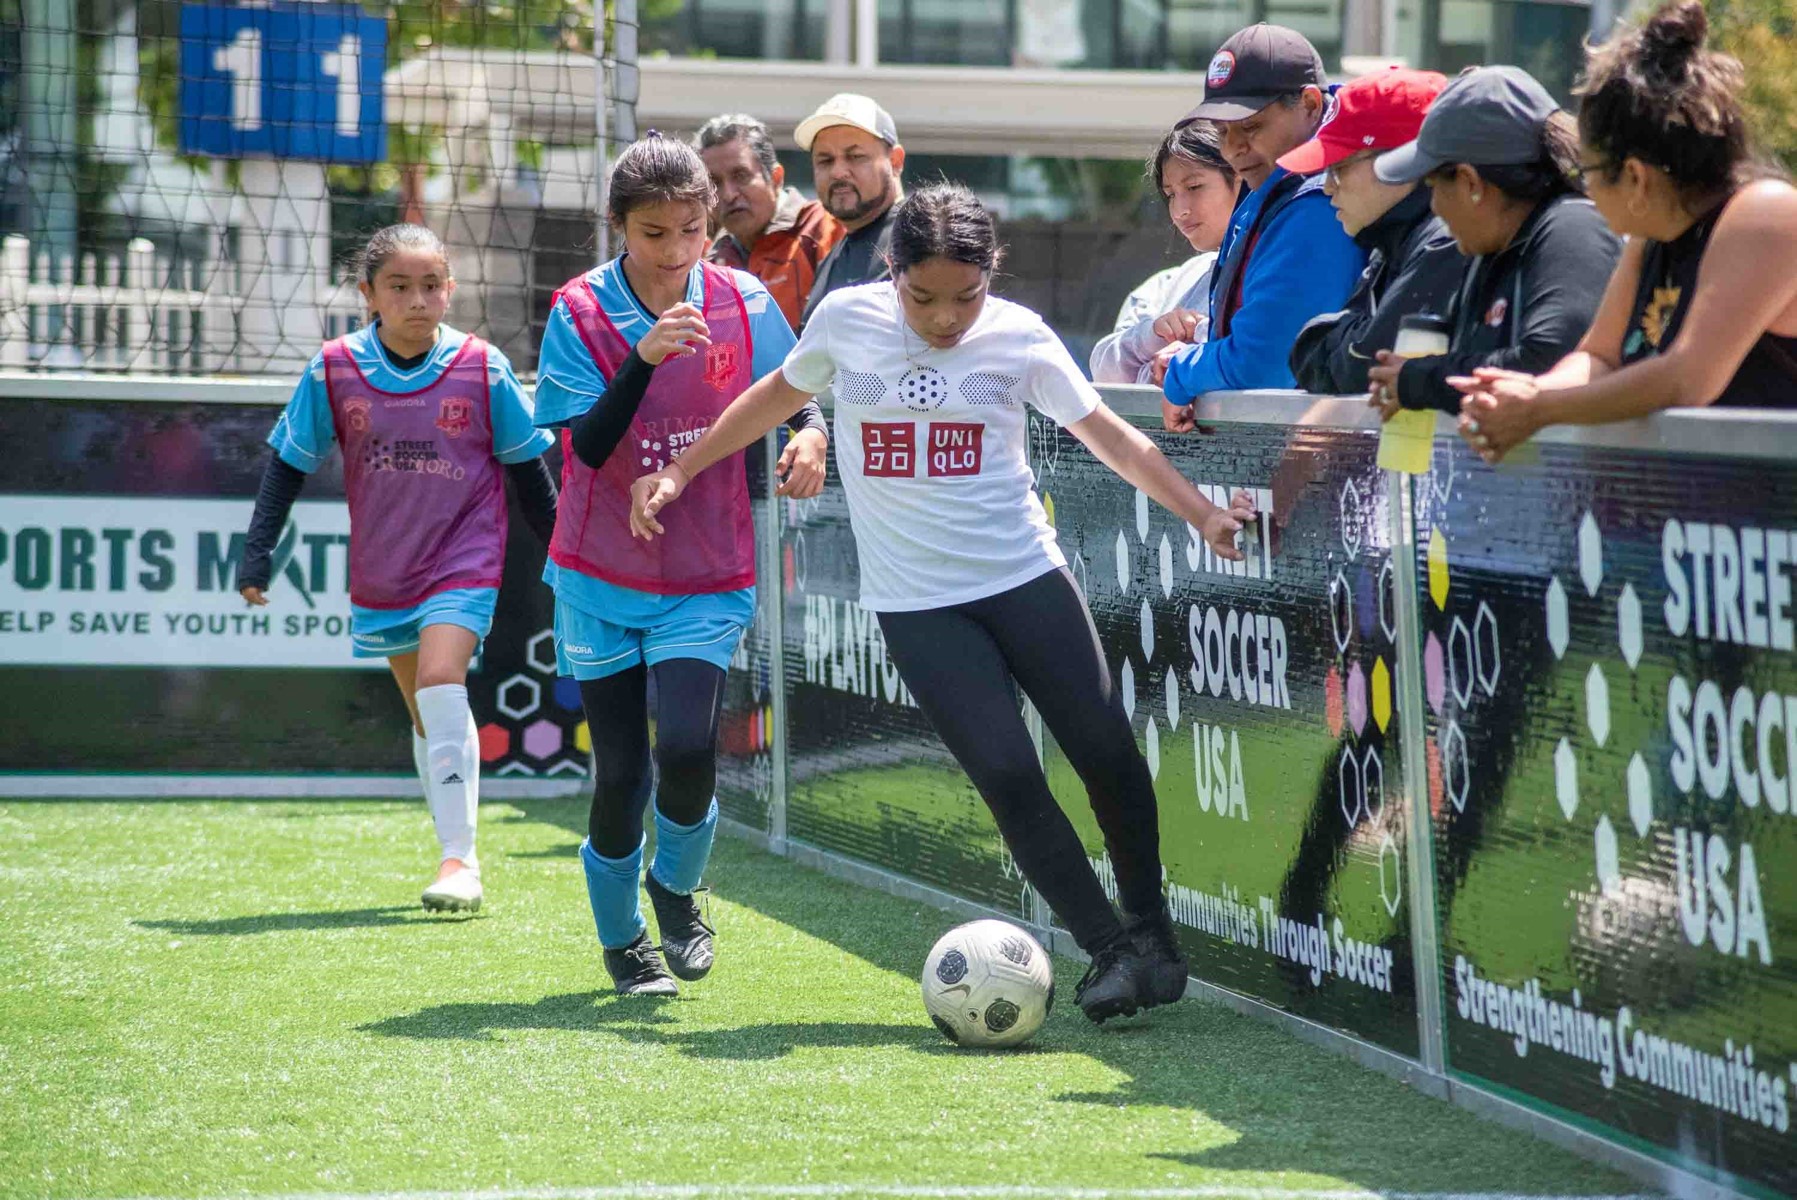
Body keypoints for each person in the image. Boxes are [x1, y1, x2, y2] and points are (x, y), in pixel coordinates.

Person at [627, 184, 1259, 1024]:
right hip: (917, 603)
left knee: (1104, 750)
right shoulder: (846, 323)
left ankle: (1152, 934)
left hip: (1024, 578)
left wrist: (1203, 511)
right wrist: (682, 467)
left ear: (990, 277)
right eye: (923, 297)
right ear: (892, 275)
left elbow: (1109, 436)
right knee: (1005, 774)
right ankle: (1108, 951)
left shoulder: (1019, 336)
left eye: (966, 296)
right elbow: (774, 397)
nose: (946, 317)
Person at [533, 135, 830, 996]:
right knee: (622, 770)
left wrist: (812, 434)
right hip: (598, 573)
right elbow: (584, 446)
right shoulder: (579, 310)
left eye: (690, 231)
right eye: (651, 233)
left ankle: (676, 886)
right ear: (618, 226)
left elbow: (800, 388)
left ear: (710, 225)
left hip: (709, 565)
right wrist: (645, 355)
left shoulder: (742, 299)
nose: (673, 252)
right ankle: (623, 942)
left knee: (693, 746)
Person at [237, 224, 558, 914]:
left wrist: (566, 558)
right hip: (386, 568)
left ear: (450, 289)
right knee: (425, 711)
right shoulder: (333, 369)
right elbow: (288, 463)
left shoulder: (481, 367)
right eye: (400, 286)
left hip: (465, 557)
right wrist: (256, 551)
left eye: (432, 285)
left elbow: (528, 471)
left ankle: (460, 861)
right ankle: (451, 848)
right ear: (368, 296)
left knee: (444, 679)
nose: (418, 299)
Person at [1455, 0, 1797, 460]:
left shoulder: (1767, 215)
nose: (1584, 190)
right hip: (1692, 521)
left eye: (1588, 173)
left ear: (1635, 177)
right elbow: (1599, 357)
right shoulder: (1651, 235)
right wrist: (1524, 392)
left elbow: (1687, 377)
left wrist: (1541, 407)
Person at [1364, 66, 1622, 419]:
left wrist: (1421, 382)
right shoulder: (1491, 246)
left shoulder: (1574, 226)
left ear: (1471, 183)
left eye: (1432, 185)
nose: (1434, 208)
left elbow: (1549, 361)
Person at [1160, 23, 1366, 423]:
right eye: (1222, 131)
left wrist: (1183, 373)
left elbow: (1266, 360)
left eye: (1251, 126)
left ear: (1309, 104)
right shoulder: (1280, 179)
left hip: (1338, 463)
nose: (1234, 148)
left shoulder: (1320, 197)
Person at [1284, 68, 1465, 396]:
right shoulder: (1390, 241)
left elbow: (1363, 365)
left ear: (1405, 159)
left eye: (1338, 169)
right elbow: (1317, 357)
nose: (1326, 187)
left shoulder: (1445, 238)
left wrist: (1335, 338)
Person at [1089, 121, 1240, 384]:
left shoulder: (1270, 272)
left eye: (1194, 187)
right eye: (1170, 194)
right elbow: (1102, 370)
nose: (1179, 210)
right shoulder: (1169, 282)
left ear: (1240, 179)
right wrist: (1152, 335)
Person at [696, 113, 844, 331]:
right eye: (714, 183)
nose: (728, 194)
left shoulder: (825, 230)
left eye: (741, 176)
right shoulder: (707, 262)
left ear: (776, 178)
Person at [794, 94, 905, 330]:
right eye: (825, 160)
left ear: (895, 161)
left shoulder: (921, 236)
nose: (838, 172)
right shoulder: (831, 261)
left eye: (855, 157)